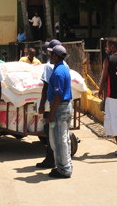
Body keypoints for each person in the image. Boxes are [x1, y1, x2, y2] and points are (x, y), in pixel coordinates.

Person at [43, 45, 73, 178]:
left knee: (59, 140)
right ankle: (66, 165)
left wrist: (51, 113)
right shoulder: (61, 68)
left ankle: (64, 169)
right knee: (63, 138)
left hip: (59, 108)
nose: (50, 57)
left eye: (51, 55)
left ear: (55, 56)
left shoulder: (58, 72)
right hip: (62, 107)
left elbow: (57, 95)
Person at [36, 39, 64, 168]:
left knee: (50, 133)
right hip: (61, 104)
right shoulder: (64, 65)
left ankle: (50, 159)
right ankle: (59, 159)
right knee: (59, 133)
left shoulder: (49, 66)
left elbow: (45, 86)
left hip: (50, 105)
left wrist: (42, 104)